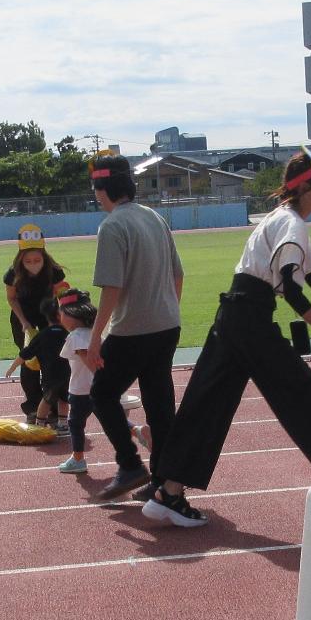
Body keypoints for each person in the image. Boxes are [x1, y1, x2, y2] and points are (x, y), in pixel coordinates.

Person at [141, 149, 311, 528]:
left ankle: (168, 492)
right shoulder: (292, 225)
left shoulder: (286, 221)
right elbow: (294, 294)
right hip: (249, 317)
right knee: (303, 390)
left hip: (236, 314)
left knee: (207, 402)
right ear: (306, 189)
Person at [81, 154, 186, 500]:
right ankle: (162, 480)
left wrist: (95, 339)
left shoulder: (112, 226)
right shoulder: (154, 218)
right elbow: (178, 274)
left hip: (133, 329)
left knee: (101, 393)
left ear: (101, 189)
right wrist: (167, 310)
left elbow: (112, 287)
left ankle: (129, 464)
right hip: (167, 324)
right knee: (159, 404)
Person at [3, 225, 70, 425]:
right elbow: (12, 299)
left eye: (37, 260)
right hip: (23, 319)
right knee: (29, 361)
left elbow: (61, 294)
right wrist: (24, 322)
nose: (33, 265)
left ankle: (53, 404)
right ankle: (33, 406)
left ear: (44, 257)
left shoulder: (54, 271)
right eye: (28, 261)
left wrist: (67, 315)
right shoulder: (13, 274)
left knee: (54, 360)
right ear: (21, 259)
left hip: (49, 318)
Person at [54, 289, 98, 475]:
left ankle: (78, 459)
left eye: (61, 313)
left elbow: (85, 356)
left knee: (75, 424)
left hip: (81, 390)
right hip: (97, 389)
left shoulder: (76, 337)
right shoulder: (94, 333)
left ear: (72, 315)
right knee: (112, 419)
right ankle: (136, 431)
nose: (59, 317)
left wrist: (100, 377)